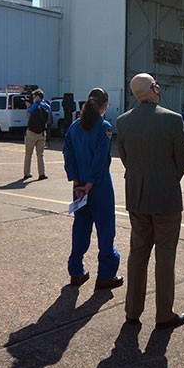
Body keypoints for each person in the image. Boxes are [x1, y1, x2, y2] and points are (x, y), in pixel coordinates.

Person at [116, 73, 184, 329]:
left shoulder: (123, 122)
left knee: (138, 254)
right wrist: (168, 180)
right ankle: (164, 314)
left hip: (137, 198)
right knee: (165, 256)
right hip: (166, 198)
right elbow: (182, 160)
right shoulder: (172, 119)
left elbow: (125, 158)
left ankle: (132, 311)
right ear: (154, 88)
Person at [64, 87, 121, 290]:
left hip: (79, 188)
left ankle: (76, 271)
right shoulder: (105, 127)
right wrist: (90, 184)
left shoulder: (74, 127)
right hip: (99, 187)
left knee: (80, 227)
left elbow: (68, 156)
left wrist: (77, 182)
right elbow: (100, 159)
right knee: (105, 229)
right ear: (104, 105)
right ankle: (105, 275)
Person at [23, 88, 50, 180]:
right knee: (40, 154)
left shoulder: (35, 106)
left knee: (28, 154)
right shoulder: (46, 106)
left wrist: (28, 107)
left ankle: (27, 173)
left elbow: (27, 116)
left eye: (34, 96)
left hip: (31, 133)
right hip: (42, 133)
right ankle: (42, 173)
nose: (33, 98)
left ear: (38, 97)